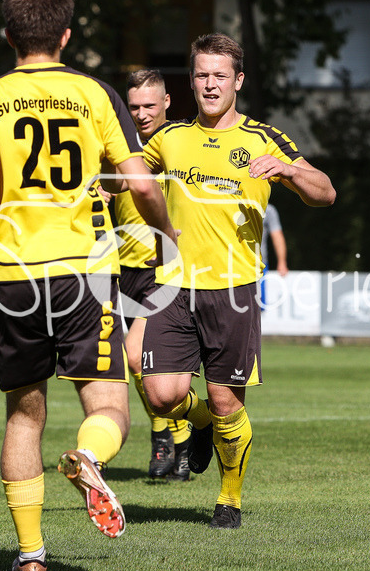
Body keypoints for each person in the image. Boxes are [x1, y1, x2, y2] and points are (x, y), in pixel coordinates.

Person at [0, 0, 175, 571]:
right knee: (109, 407)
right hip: (82, 273)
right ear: (67, 34)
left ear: (8, 35)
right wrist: (168, 238)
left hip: (12, 273)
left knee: (24, 415)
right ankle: (88, 457)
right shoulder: (96, 93)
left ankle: (30, 557)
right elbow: (142, 183)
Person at [141, 33, 335, 529]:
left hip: (233, 289)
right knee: (160, 394)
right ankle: (199, 421)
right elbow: (127, 178)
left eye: (219, 75)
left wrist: (289, 171)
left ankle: (230, 498)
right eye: (201, 74)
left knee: (228, 400)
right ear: (191, 79)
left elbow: (326, 193)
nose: (209, 84)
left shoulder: (265, 138)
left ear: (238, 81)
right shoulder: (169, 137)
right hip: (172, 285)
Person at [117, 69, 191, 481]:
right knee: (139, 364)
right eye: (134, 106)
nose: (142, 113)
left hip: (164, 268)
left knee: (137, 355)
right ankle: (171, 438)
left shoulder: (178, 145)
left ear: (167, 103)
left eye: (150, 104)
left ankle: (172, 437)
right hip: (126, 268)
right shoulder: (117, 146)